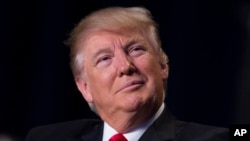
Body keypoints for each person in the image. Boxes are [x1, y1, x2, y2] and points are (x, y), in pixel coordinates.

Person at [25, 6, 229, 141]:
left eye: (136, 50)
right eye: (105, 59)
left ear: (163, 66)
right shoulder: (45, 137)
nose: (125, 66)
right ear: (85, 87)